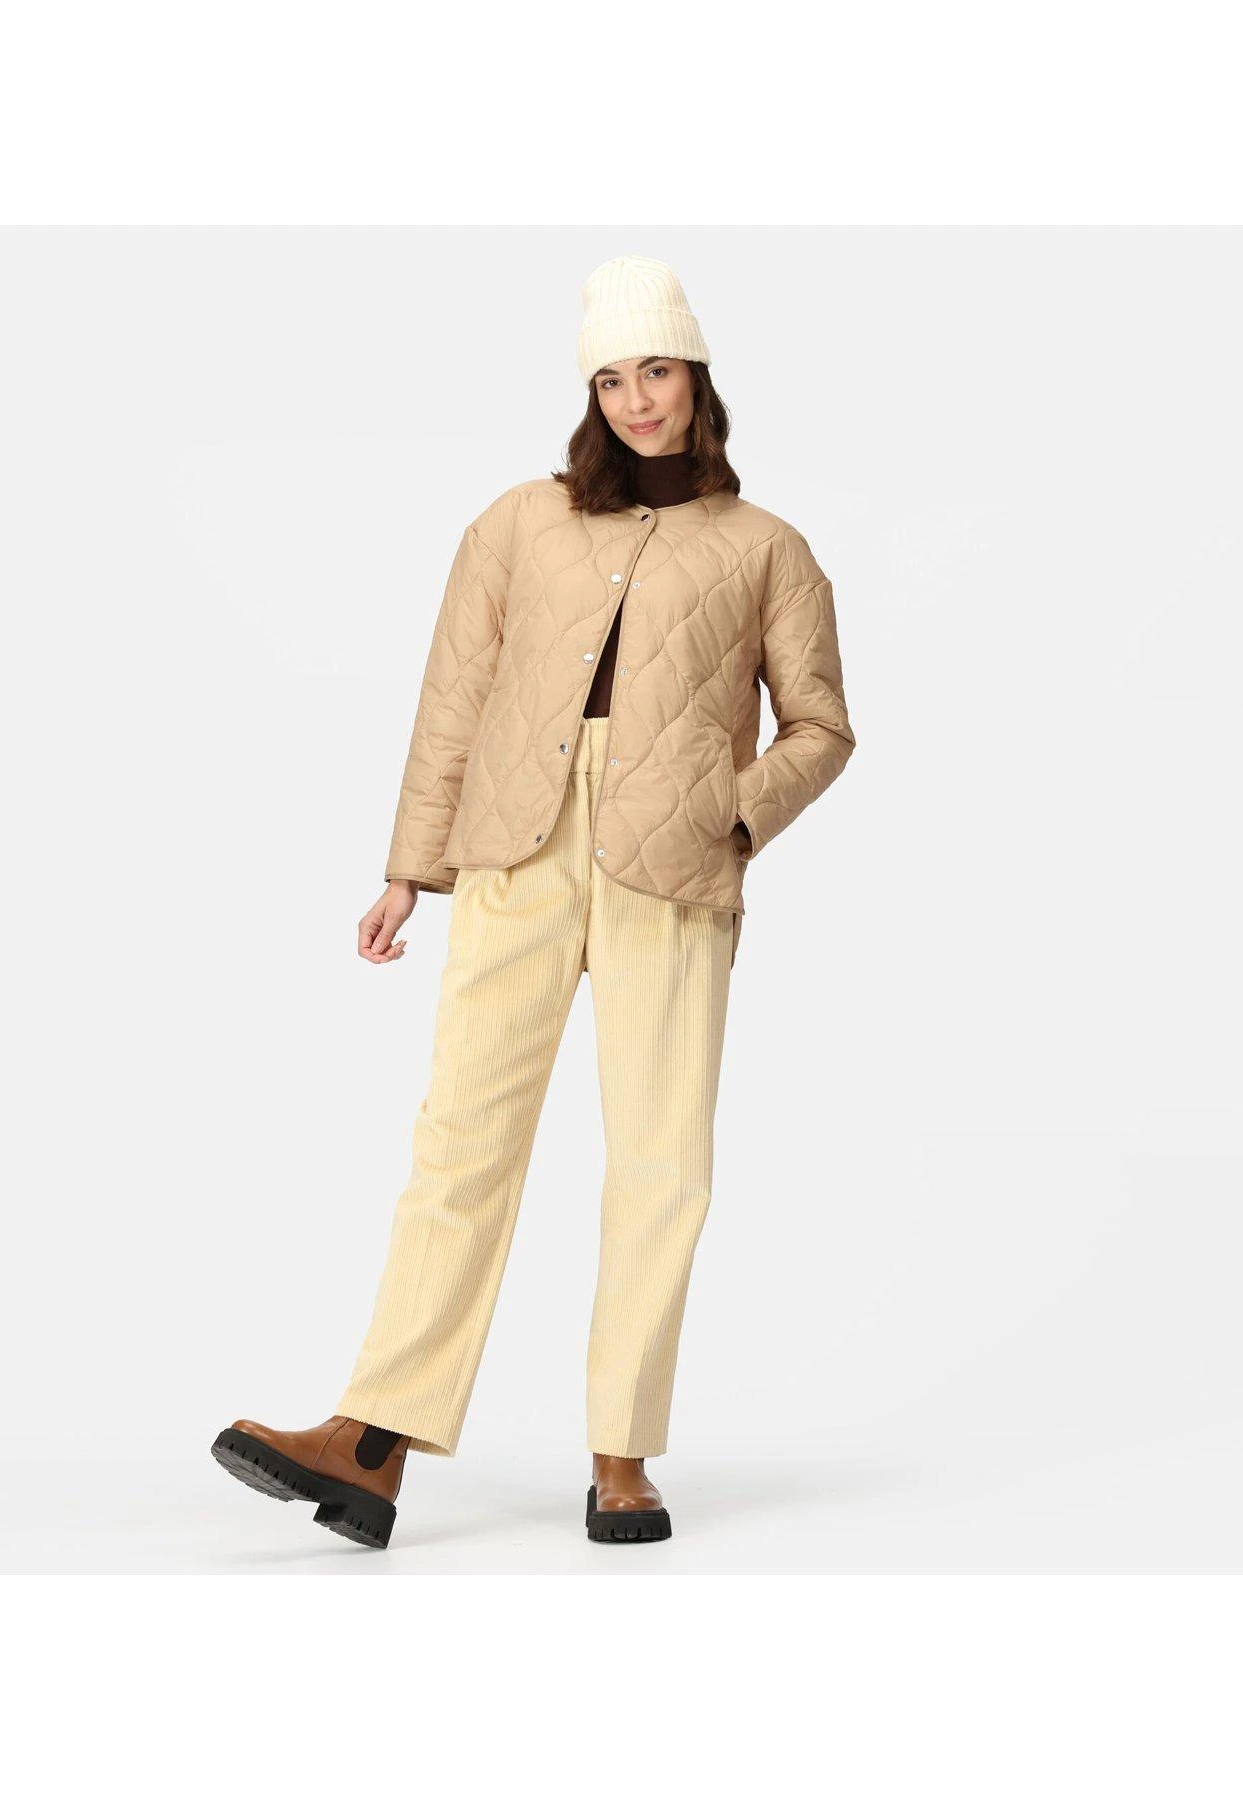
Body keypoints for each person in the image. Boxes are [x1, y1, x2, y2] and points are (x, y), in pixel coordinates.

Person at [211, 254, 856, 1549]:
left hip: (673, 865)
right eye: (611, 378)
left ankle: (622, 1454)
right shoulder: (517, 522)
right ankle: (373, 1440)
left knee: (661, 1160)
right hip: (516, 846)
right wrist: (412, 868)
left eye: (656, 370)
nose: (636, 399)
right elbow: (454, 697)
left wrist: (729, 814)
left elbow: (821, 728)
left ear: (697, 377)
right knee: (461, 1140)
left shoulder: (768, 548)